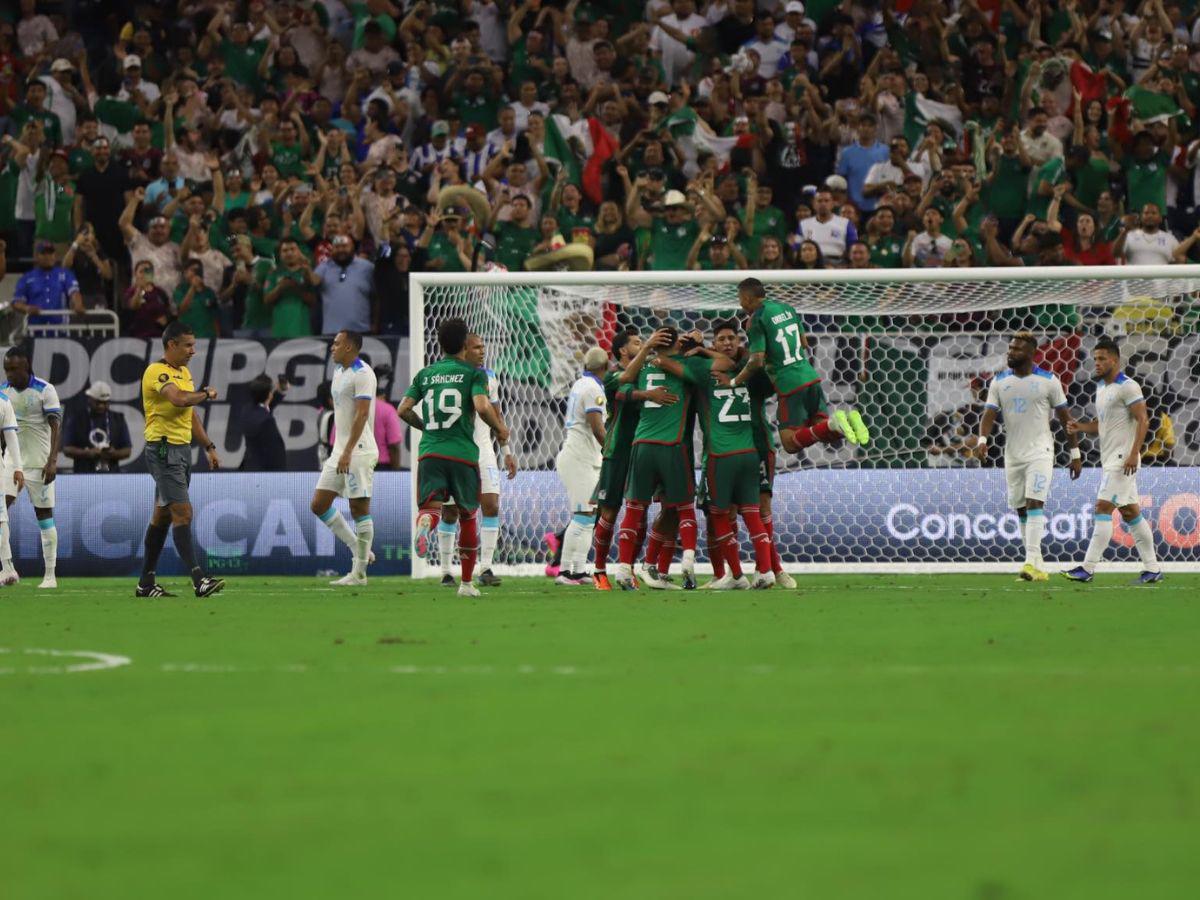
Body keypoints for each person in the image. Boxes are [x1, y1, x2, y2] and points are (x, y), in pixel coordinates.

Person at [398, 319, 509, 598]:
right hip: (462, 453)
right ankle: (467, 584)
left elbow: (403, 410)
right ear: (463, 346)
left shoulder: (426, 374)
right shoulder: (474, 374)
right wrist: (498, 427)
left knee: (432, 510)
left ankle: (425, 525)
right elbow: (482, 406)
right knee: (468, 516)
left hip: (430, 452)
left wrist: (427, 426)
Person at [975, 333, 1082, 583]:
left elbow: (1066, 419)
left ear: (1031, 353)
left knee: (1035, 503)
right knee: (1021, 509)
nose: (1010, 353)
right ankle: (1037, 564)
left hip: (1040, 452)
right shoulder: (999, 381)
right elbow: (989, 414)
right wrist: (982, 440)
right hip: (1013, 454)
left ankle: (1030, 563)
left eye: (1017, 349)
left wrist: (1075, 453)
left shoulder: (1048, 381)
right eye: (1010, 348)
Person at [612, 326, 709, 592]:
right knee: (684, 508)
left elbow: (623, 383)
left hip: (641, 445)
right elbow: (703, 374)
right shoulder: (684, 366)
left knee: (635, 508)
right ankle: (688, 561)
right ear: (677, 343)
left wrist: (647, 351)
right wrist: (694, 348)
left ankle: (623, 568)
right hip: (672, 446)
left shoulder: (642, 367)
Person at [136, 321, 224, 598]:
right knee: (183, 512)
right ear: (171, 345)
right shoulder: (156, 371)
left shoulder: (183, 372)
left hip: (181, 450)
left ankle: (145, 584)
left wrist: (208, 446)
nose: (192, 351)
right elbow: (178, 400)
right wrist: (205, 394)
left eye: (193, 345)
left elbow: (190, 413)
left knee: (162, 516)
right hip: (163, 450)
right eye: (187, 345)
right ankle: (199, 579)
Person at [1063, 339, 1162, 584]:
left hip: (1123, 459)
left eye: (1102, 358)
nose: (1097, 363)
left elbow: (1143, 420)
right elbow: (1101, 426)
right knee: (1130, 513)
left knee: (1102, 508)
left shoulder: (1128, 386)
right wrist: (1080, 426)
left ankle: (1087, 568)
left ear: (1115, 360)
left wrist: (1133, 453)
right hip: (1110, 458)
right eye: (1095, 358)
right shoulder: (1102, 388)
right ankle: (1152, 569)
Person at [731, 277, 867, 455]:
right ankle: (850, 420)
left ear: (747, 298)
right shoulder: (787, 308)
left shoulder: (756, 319)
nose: (740, 304)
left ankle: (839, 422)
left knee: (789, 443)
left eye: (740, 299)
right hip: (810, 377)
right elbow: (803, 343)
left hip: (790, 384)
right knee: (824, 431)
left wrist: (734, 382)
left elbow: (756, 361)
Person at [589, 327, 675, 591]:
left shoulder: (649, 373)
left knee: (640, 512)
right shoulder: (613, 375)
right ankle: (599, 570)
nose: (643, 344)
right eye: (638, 342)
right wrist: (649, 348)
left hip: (645, 451)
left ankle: (630, 568)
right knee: (610, 510)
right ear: (623, 350)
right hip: (619, 451)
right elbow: (626, 380)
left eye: (643, 341)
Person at [434, 336, 516, 588]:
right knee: (450, 511)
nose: (482, 351)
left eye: (483, 347)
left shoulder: (489, 376)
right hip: (456, 450)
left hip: (482, 450)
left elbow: (496, 415)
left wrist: (506, 450)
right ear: (463, 349)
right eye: (477, 347)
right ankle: (446, 571)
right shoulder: (448, 375)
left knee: (490, 505)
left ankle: (487, 567)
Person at [308, 332, 378, 586]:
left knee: (359, 509)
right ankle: (359, 551)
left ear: (349, 347)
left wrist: (348, 450)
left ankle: (359, 573)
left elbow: (362, 415)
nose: (332, 348)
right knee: (318, 504)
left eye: (336, 344)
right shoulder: (339, 371)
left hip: (358, 450)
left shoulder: (363, 374)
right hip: (340, 450)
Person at [0, 346, 62, 588]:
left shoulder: (44, 390)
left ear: (26, 367)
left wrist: (53, 461)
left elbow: (56, 424)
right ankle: (7, 568)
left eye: (14, 369)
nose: (9, 374)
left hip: (40, 463)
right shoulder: (3, 392)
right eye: (6, 369)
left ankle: (50, 575)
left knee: (44, 515)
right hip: (11, 464)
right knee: (1, 510)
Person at [553, 346, 608, 586]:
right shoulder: (593, 389)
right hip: (579, 458)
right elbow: (597, 427)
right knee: (584, 514)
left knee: (587, 515)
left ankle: (577, 570)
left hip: (581, 456)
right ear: (605, 368)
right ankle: (565, 571)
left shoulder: (580, 384)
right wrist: (611, 450)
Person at [311, 234, 376, 334]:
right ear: (332, 249)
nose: (341, 250)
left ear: (352, 247)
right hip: (331, 332)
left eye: (345, 246)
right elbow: (313, 282)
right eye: (337, 247)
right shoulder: (324, 267)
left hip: (361, 331)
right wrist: (306, 268)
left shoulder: (367, 267)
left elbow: (376, 297)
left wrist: (375, 323)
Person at [63, 381, 132, 474]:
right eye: (98, 402)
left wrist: (112, 454)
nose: (101, 406)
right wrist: (87, 453)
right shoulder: (76, 419)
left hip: (112, 476)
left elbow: (127, 451)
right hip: (83, 475)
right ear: (90, 399)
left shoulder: (118, 419)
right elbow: (67, 449)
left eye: (105, 403)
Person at [10, 241, 84, 327]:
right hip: (35, 330)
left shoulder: (65, 274)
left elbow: (74, 292)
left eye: (50, 253)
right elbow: (16, 302)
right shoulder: (27, 278)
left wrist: (78, 304)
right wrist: (27, 308)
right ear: (37, 256)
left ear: (55, 256)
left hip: (60, 330)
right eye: (44, 254)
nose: (48, 257)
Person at [240, 374, 286, 472]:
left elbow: (265, 407)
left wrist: (279, 391)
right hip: (264, 470)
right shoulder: (267, 421)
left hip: (249, 465)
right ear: (269, 395)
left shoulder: (247, 411)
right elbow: (276, 451)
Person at [0, 387, 22, 590]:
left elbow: (10, 436)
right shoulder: (3, 400)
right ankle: (7, 568)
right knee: (0, 518)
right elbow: (11, 437)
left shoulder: (3, 401)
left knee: (1, 517)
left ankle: (8, 568)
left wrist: (17, 467)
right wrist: (18, 467)